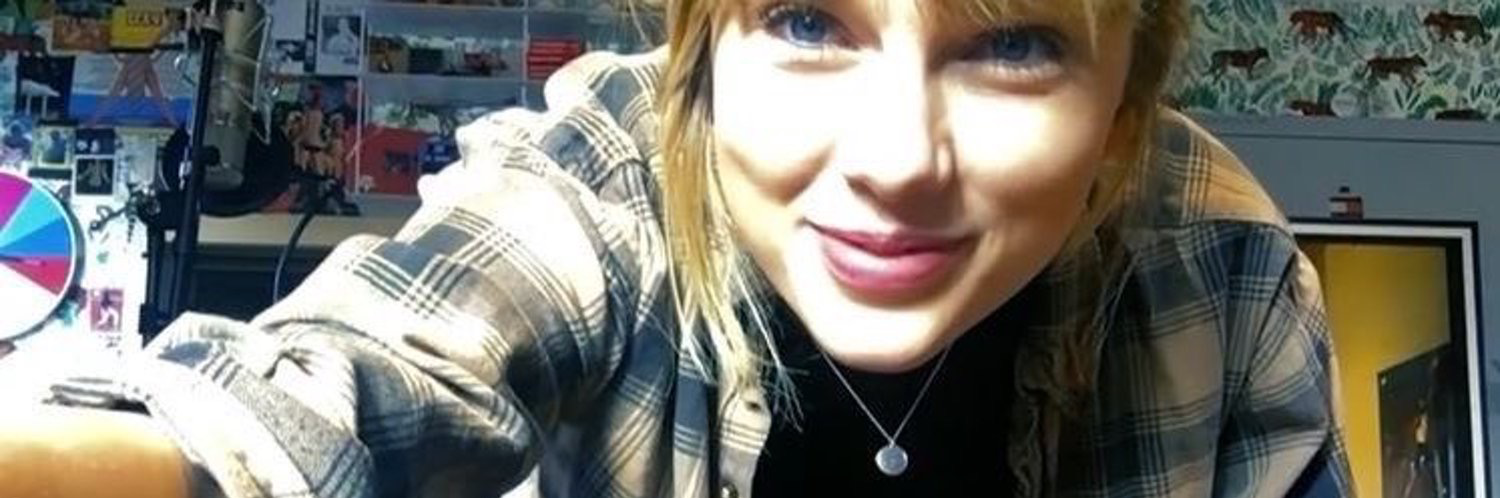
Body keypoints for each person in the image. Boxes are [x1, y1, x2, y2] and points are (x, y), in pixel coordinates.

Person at [0, 0, 1352, 497]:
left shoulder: (1221, 264)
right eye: (807, 23)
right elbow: (332, 394)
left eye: (1012, 45)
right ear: (702, 63)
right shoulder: (608, 169)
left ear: (1120, 114)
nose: (896, 158)